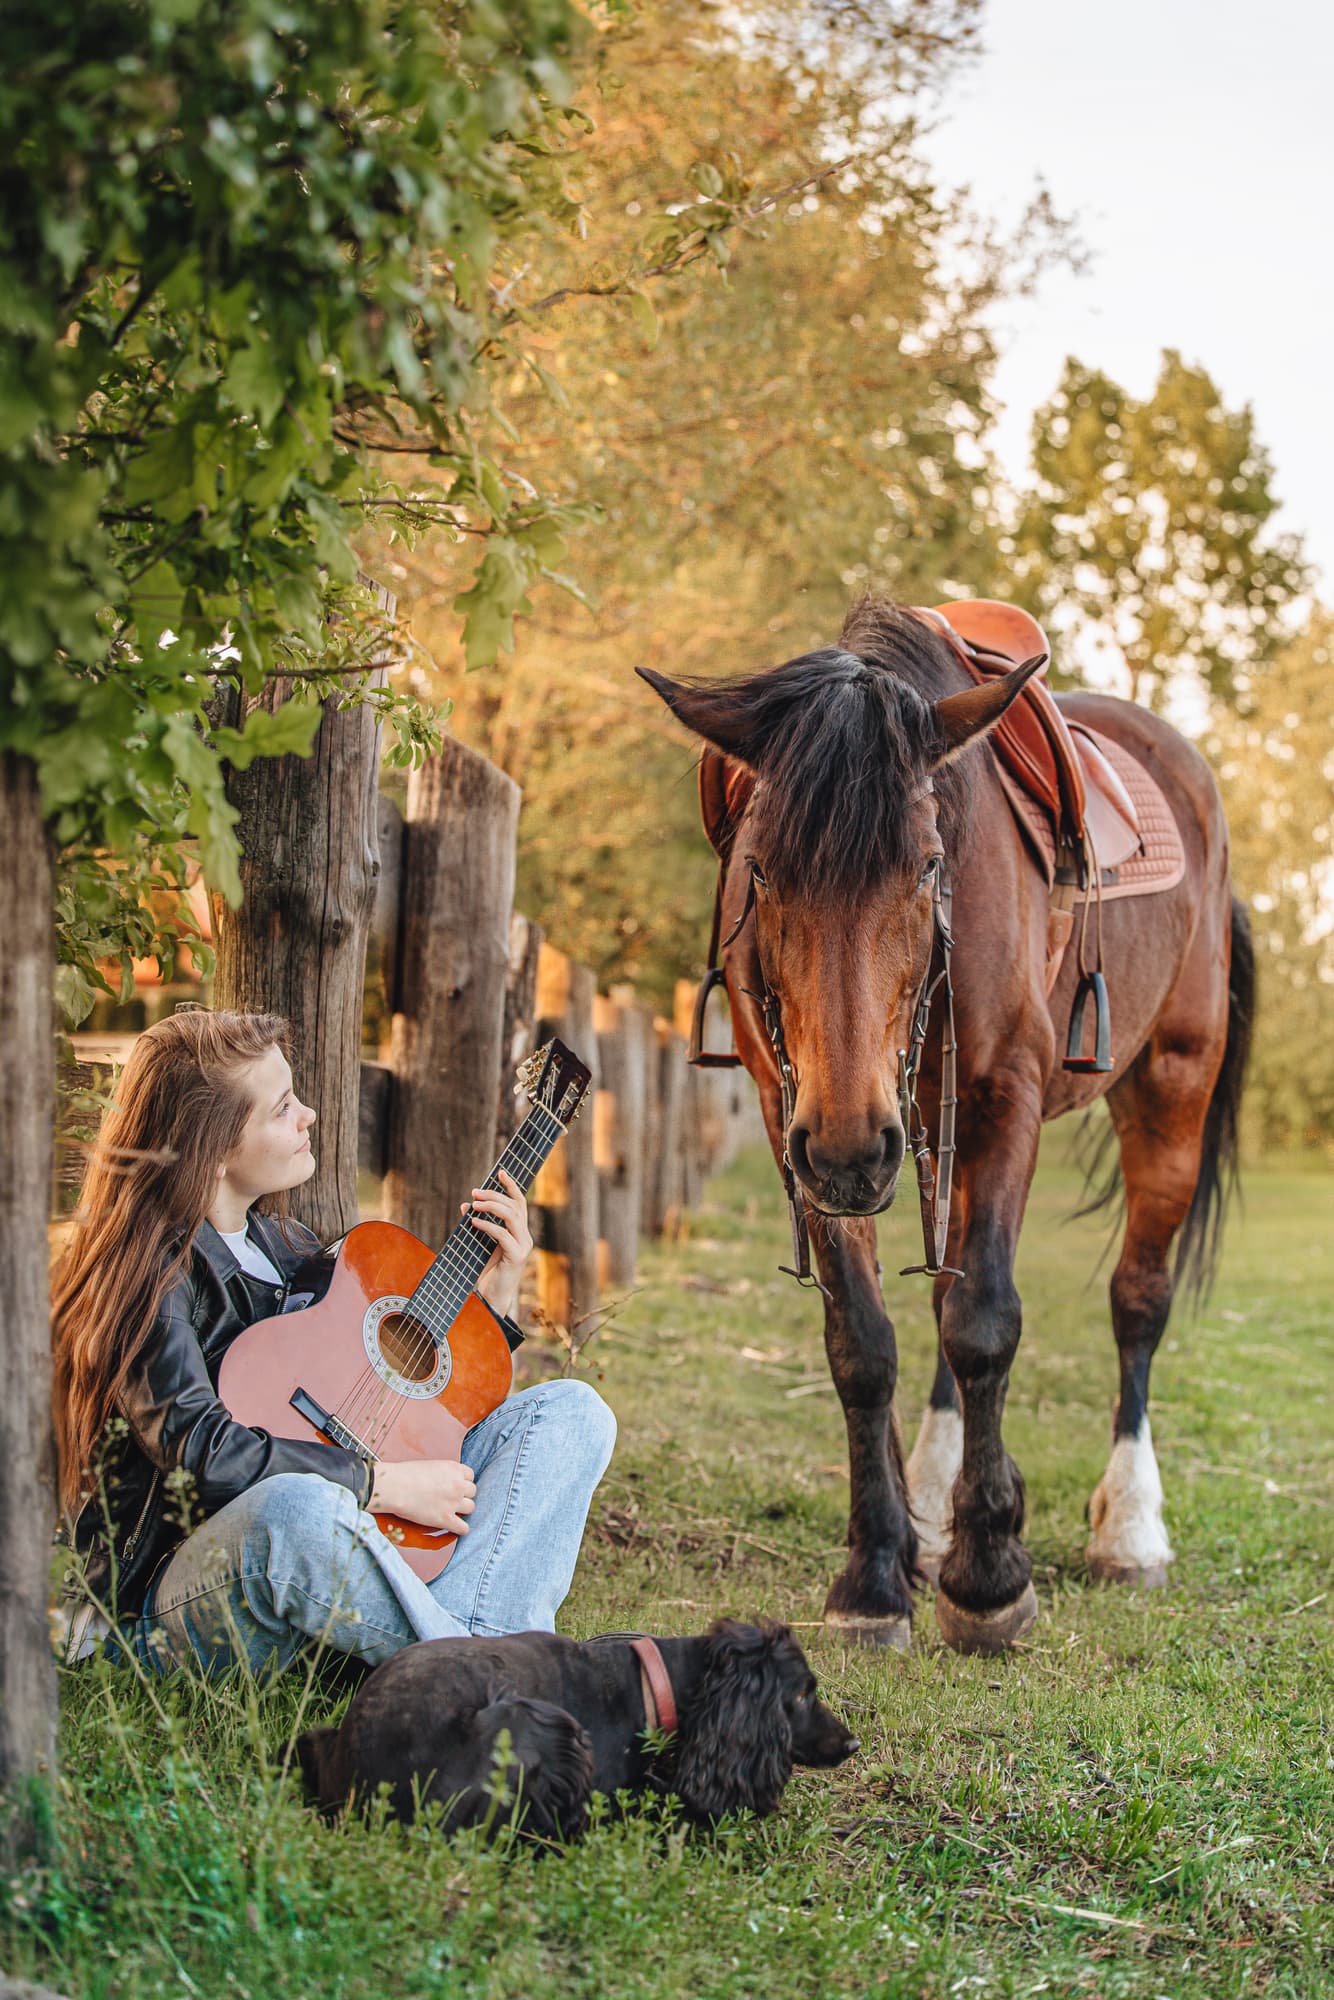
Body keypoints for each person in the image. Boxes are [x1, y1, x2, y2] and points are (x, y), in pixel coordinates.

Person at [52, 1009, 616, 1678]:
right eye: (283, 1108)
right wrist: (378, 1484)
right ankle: (496, 1671)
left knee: (573, 1414)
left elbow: (410, 1414)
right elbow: (201, 1454)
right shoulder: (145, 1275)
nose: (310, 1116)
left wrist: (498, 1295)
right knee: (296, 1507)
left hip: (317, 1574)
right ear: (215, 1146)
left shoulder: (290, 1246)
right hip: (162, 1607)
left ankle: (462, 1659)